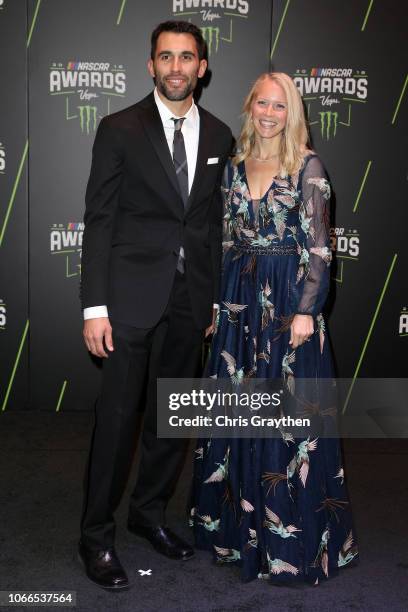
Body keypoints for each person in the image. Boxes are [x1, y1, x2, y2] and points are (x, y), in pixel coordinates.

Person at [78, 20, 233, 590]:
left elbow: (212, 227)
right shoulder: (119, 127)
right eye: (165, 57)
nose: (175, 67)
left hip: (190, 303)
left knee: (172, 423)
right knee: (117, 423)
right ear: (151, 66)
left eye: (186, 57)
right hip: (127, 302)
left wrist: (213, 297)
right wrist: (94, 305)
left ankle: (148, 517)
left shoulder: (219, 136)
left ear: (202, 66)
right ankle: (95, 536)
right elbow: (99, 220)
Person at [190, 72, 358, 585]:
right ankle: (236, 534)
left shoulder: (308, 166)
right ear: (249, 106)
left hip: (289, 305)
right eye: (261, 103)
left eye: (279, 106)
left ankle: (295, 543)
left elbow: (320, 246)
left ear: (293, 112)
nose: (268, 113)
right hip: (240, 302)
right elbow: (223, 242)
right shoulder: (234, 165)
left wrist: (307, 308)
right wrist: (217, 306)